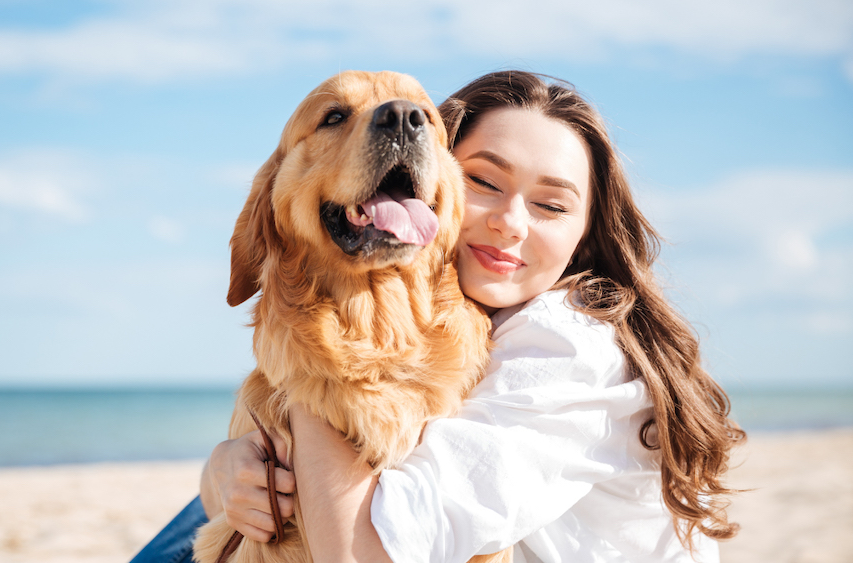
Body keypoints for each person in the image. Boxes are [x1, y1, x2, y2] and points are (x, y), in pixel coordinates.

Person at [131, 70, 744, 563]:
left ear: (585, 238)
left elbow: (366, 552)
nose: (511, 222)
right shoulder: (482, 316)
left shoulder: (564, 345)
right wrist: (222, 470)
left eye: (552, 205)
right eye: (483, 180)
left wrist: (304, 379)